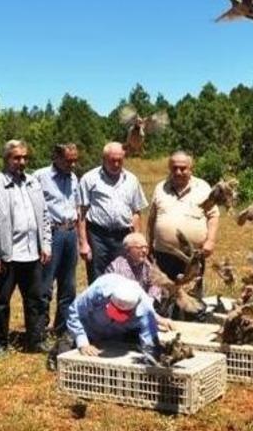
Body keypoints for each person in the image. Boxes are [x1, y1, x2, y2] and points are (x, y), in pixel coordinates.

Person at [0, 140, 52, 356]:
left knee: (35, 299)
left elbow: (43, 215)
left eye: (25, 157)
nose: (22, 161)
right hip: (8, 255)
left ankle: (35, 340)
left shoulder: (33, 182)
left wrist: (46, 244)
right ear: (6, 159)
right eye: (17, 158)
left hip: (32, 252)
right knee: (1, 301)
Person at [147, 151, 219, 298]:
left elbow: (213, 215)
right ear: (169, 168)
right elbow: (152, 218)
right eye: (174, 168)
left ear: (191, 168)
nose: (178, 172)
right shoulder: (160, 188)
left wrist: (210, 241)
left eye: (183, 168)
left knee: (191, 296)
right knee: (163, 295)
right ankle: (166, 320)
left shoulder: (203, 187)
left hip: (193, 256)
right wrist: (148, 245)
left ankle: (190, 320)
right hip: (164, 255)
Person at [77, 142, 147, 284]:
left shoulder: (132, 180)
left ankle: (119, 306)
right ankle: (99, 306)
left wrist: (137, 238)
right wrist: (83, 243)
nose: (116, 164)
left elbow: (136, 212)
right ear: (104, 159)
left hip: (123, 236)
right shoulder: (89, 179)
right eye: (112, 160)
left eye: (119, 160)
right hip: (98, 237)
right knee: (98, 278)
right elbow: (81, 213)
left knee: (125, 276)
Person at [34, 143, 80, 343]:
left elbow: (76, 205)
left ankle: (63, 329)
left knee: (68, 285)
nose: (73, 164)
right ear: (56, 158)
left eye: (75, 160)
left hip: (70, 232)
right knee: (45, 286)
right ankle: (40, 330)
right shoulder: (40, 177)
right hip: (51, 233)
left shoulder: (74, 178)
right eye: (69, 160)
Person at [64, 273, 160, 360]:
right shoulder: (100, 288)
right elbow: (74, 311)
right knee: (65, 352)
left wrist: (150, 360)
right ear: (110, 298)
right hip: (86, 330)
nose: (115, 317)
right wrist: (82, 342)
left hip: (116, 337)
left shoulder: (146, 310)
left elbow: (149, 341)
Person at [105, 232, 163, 301]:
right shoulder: (115, 268)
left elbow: (155, 284)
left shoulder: (147, 266)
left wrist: (149, 299)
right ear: (127, 250)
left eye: (146, 247)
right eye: (139, 247)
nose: (144, 251)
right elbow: (109, 291)